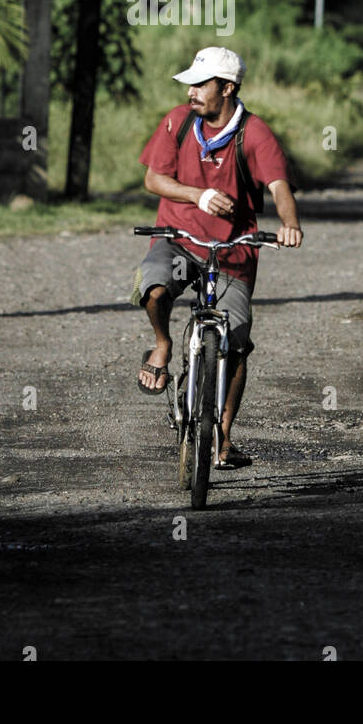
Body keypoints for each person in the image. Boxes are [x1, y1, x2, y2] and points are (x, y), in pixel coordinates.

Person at [133, 46, 303, 468]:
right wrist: (198, 195)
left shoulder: (255, 132)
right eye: (189, 83)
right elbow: (153, 178)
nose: (191, 92)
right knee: (154, 290)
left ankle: (222, 437)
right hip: (177, 238)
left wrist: (290, 223)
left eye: (200, 84)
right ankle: (162, 344)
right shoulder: (178, 121)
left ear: (227, 88)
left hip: (231, 249)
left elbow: (279, 184)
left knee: (236, 342)